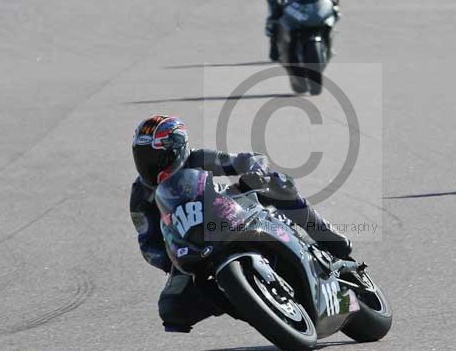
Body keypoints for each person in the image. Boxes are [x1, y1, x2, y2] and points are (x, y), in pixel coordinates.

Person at [129, 114, 352, 332]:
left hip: (230, 215)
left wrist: (254, 172)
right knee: (172, 308)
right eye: (143, 157)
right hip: (191, 247)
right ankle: (252, 306)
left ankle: (327, 236)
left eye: (156, 158)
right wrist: (170, 260)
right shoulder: (140, 195)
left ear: (177, 150)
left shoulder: (198, 158)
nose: (150, 165)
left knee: (277, 183)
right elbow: (148, 243)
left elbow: (245, 160)